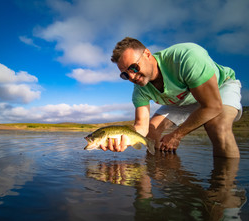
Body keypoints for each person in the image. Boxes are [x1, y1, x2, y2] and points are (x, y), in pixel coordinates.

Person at [102, 37, 242, 158]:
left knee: (218, 127)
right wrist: (125, 139)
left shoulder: (187, 57)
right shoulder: (140, 89)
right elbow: (141, 126)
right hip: (180, 100)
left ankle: (224, 186)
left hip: (219, 88)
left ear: (147, 54)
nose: (131, 77)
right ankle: (155, 170)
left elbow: (212, 106)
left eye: (133, 67)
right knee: (152, 130)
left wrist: (176, 135)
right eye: (125, 75)